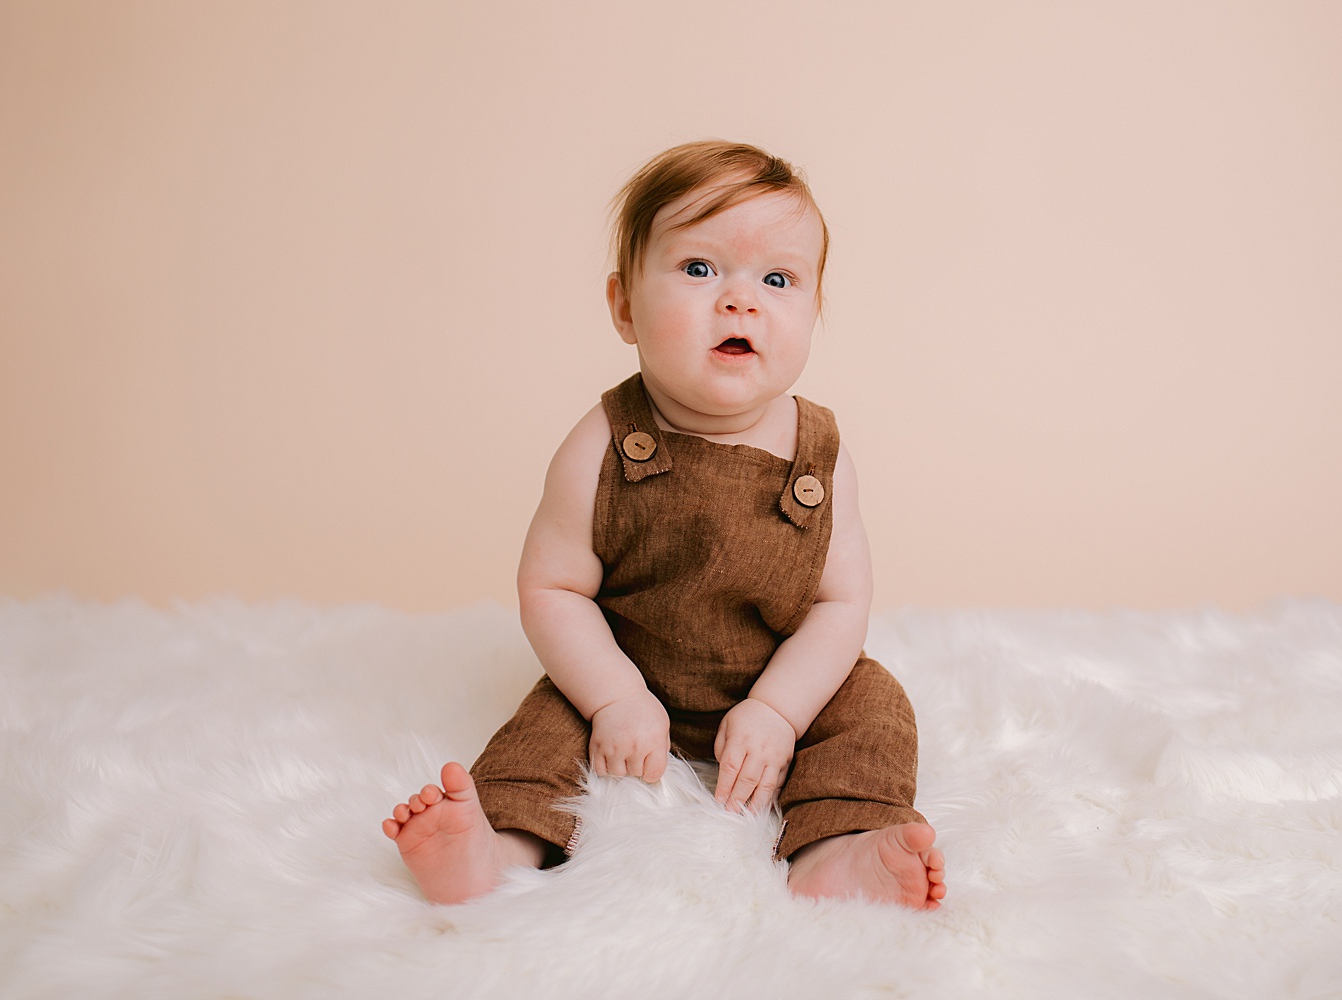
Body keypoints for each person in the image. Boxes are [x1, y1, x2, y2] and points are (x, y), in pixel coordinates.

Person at [382, 140, 945, 910]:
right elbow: (552, 587)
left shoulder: (822, 454)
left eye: (777, 280)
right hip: (624, 670)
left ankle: (837, 851)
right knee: (543, 727)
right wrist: (613, 697)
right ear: (623, 306)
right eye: (699, 269)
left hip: (776, 676)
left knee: (875, 711)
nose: (739, 301)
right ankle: (496, 848)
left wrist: (779, 710)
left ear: (814, 311)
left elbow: (838, 606)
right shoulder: (603, 443)